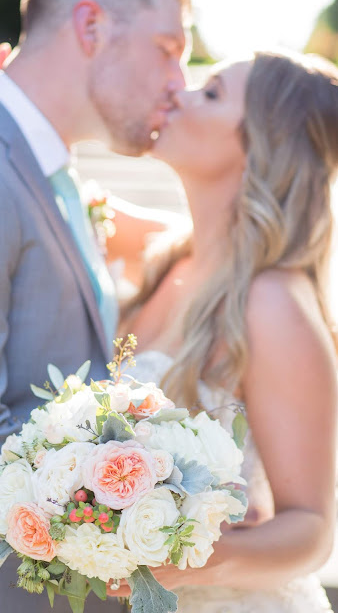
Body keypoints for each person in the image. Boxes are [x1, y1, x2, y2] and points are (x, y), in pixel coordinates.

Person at [0, 0, 190, 612]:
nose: (179, 80)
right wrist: (121, 533)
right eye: (168, 48)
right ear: (91, 27)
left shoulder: (49, 172)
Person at [104, 50, 338, 611]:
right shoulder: (169, 255)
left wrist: (193, 562)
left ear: (259, 143)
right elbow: (47, 199)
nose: (177, 94)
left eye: (209, 93)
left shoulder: (271, 301)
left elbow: (312, 530)